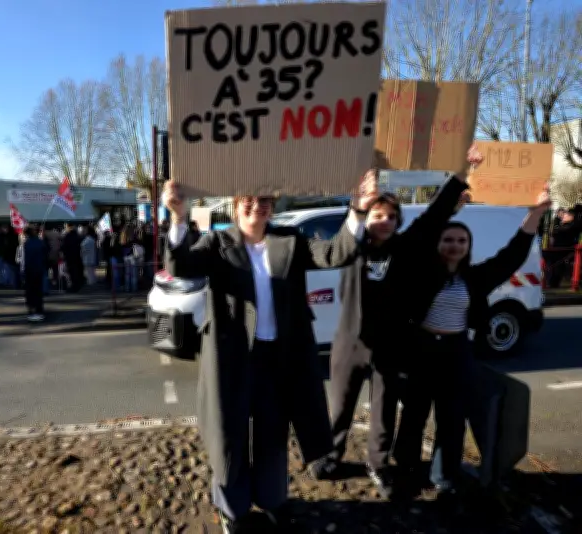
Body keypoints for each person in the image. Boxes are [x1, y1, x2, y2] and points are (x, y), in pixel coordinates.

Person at [162, 175, 376, 532]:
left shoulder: (289, 240)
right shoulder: (217, 243)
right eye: (248, 199)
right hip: (231, 360)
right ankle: (233, 509)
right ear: (235, 205)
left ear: (273, 207)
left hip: (277, 360)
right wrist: (178, 217)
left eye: (264, 200)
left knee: (272, 436)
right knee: (229, 436)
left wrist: (358, 209)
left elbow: (336, 253)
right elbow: (179, 266)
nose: (256, 205)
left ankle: (272, 499)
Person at [313, 147, 481, 499]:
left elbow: (434, 216)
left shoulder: (405, 249)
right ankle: (330, 457)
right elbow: (340, 241)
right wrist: (360, 202)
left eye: (391, 216)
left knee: (384, 412)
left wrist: (462, 173)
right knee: (340, 407)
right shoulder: (352, 246)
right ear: (366, 217)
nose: (385, 221)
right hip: (350, 343)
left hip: (391, 346)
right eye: (378, 215)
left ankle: (378, 464)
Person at [394, 186, 552, 507]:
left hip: (457, 352)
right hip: (421, 351)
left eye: (461, 241)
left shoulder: (475, 278)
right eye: (448, 239)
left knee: (452, 419)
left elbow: (511, 256)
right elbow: (420, 234)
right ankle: (406, 471)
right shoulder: (422, 271)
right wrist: (450, 209)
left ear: (468, 247)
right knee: (414, 415)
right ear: (438, 243)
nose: (454, 245)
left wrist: (535, 214)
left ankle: (444, 477)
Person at [21, 226, 47, 321]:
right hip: (39, 269)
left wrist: (22, 271)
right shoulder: (40, 242)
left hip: (29, 270)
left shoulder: (25, 244)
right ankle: (39, 311)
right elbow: (45, 256)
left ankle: (31, 311)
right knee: (38, 291)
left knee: (30, 292)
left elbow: (23, 259)